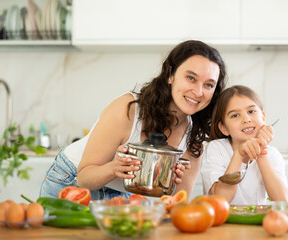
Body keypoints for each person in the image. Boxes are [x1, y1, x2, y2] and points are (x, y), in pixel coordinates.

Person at [39, 40, 227, 200]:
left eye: (209, 85)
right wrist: (114, 168)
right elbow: (84, 177)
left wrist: (170, 181)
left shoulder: (194, 137)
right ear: (170, 74)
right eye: (191, 78)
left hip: (123, 194)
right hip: (71, 181)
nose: (199, 92)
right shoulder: (128, 110)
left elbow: (177, 202)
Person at [201, 85, 288, 205]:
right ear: (224, 128)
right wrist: (238, 154)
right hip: (223, 222)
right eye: (235, 115)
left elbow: (282, 199)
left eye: (251, 111)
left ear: (263, 117)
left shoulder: (272, 154)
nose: (246, 119)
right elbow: (221, 199)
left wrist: (261, 153)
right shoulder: (216, 148)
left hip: (257, 223)